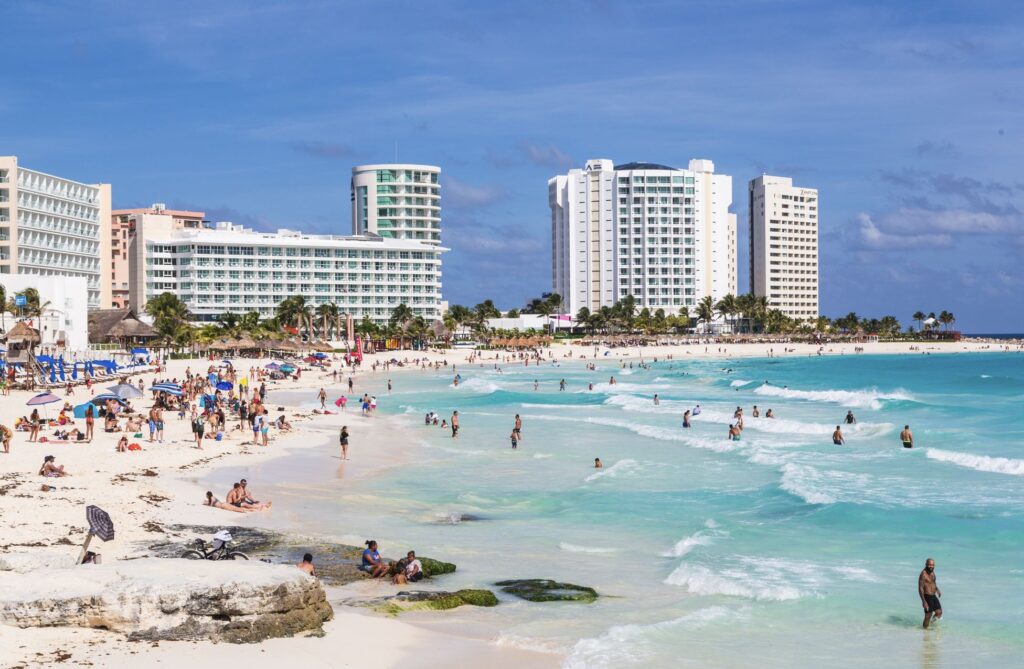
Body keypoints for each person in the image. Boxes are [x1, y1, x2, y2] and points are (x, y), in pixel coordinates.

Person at [919, 558, 942, 629]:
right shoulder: (923, 574)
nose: (931, 566)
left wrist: (937, 589)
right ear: (926, 564)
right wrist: (924, 601)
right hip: (927, 596)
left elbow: (933, 582)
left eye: (932, 565)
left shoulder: (932, 572)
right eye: (929, 565)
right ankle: (925, 630)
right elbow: (920, 588)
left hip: (933, 595)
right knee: (928, 615)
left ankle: (931, 623)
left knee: (939, 613)